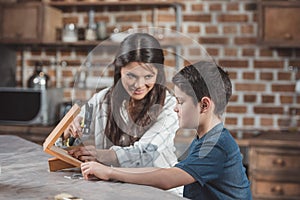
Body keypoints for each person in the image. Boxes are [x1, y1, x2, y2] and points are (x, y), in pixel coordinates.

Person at [81, 61, 252, 200]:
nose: (175, 108)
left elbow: (167, 179)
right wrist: (111, 173)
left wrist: (111, 172)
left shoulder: (216, 145)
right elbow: (162, 171)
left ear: (204, 105)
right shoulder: (207, 138)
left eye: (180, 101)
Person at [59, 33, 179, 171]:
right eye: (131, 76)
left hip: (159, 189)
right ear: (119, 70)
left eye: (148, 76)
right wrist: (68, 132)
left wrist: (102, 155)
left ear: (159, 74)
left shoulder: (171, 106)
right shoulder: (102, 99)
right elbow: (70, 143)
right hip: (114, 186)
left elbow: (146, 152)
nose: (139, 85)